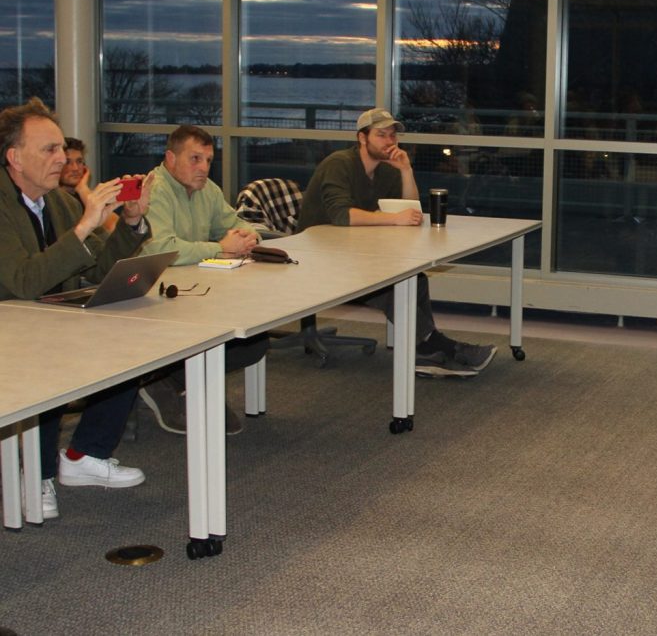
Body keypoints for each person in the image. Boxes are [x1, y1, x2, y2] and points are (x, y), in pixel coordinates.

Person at [0, 98, 151, 519]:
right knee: (47, 359)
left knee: (133, 343)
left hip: (45, 318)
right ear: (14, 157)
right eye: (49, 149)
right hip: (11, 328)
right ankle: (37, 470)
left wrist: (130, 223)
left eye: (61, 149)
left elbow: (101, 266)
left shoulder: (59, 202)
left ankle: (84, 454)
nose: (63, 158)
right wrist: (86, 224)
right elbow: (25, 282)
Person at [297, 107, 496, 377]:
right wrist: (392, 219)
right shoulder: (339, 163)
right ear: (362, 138)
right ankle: (434, 348)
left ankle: (424, 348)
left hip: (353, 253)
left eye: (393, 136)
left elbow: (410, 211)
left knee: (417, 278)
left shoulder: (386, 169)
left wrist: (405, 170)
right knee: (392, 286)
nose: (390, 142)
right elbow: (342, 215)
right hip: (319, 257)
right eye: (381, 135)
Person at [139, 124, 268, 434]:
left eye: (209, 160)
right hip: (155, 296)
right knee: (230, 340)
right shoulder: (155, 191)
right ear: (170, 158)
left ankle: (177, 379)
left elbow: (233, 222)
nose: (203, 168)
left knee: (254, 342)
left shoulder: (207, 189)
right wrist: (220, 247)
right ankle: (161, 380)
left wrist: (248, 235)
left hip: (197, 288)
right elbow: (161, 247)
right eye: (195, 158)